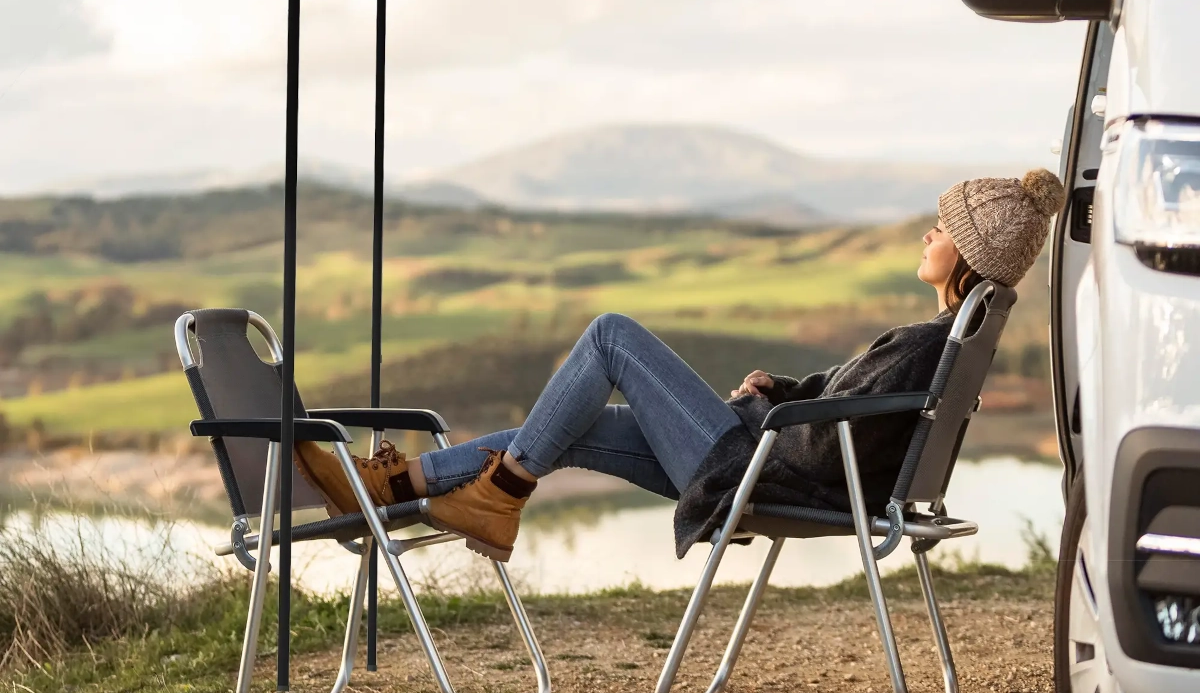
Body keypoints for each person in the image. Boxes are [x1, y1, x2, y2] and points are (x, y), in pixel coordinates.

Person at [295, 169, 1065, 562]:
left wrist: (769, 415)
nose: (925, 233)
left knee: (610, 336)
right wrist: (783, 390)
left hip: (754, 465)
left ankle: (497, 493)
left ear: (967, 251)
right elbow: (845, 415)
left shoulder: (927, 343)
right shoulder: (946, 339)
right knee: (571, 423)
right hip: (761, 450)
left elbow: (831, 444)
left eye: (940, 225)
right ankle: (405, 486)